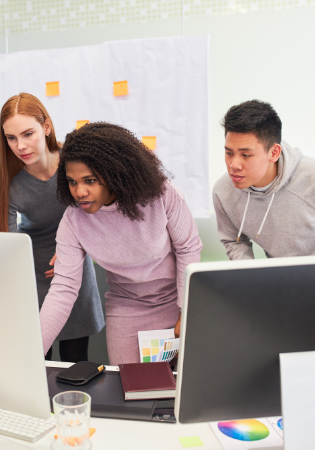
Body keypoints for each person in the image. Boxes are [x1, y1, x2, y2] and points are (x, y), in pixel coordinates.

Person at [38, 122, 202, 365]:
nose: (79, 191)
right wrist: (32, 352)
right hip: (127, 306)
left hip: (178, 300)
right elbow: (63, 289)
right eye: (72, 182)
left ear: (114, 174)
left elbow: (188, 247)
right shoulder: (73, 220)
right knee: (133, 391)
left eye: (89, 180)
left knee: (183, 389)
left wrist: (185, 311)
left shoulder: (160, 195)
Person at [0, 93, 104, 363]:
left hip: (74, 266)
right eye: (12, 138)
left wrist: (74, 253)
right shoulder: (11, 183)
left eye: (28, 133)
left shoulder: (75, 162)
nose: (20, 145)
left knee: (76, 362)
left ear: (46, 127)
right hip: (33, 275)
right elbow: (5, 247)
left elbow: (104, 214)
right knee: (38, 363)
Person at [213, 100, 315, 259]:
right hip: (279, 280)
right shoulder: (223, 192)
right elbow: (234, 241)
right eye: (229, 153)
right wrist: (249, 276)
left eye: (246, 155)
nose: (234, 165)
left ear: (274, 153)